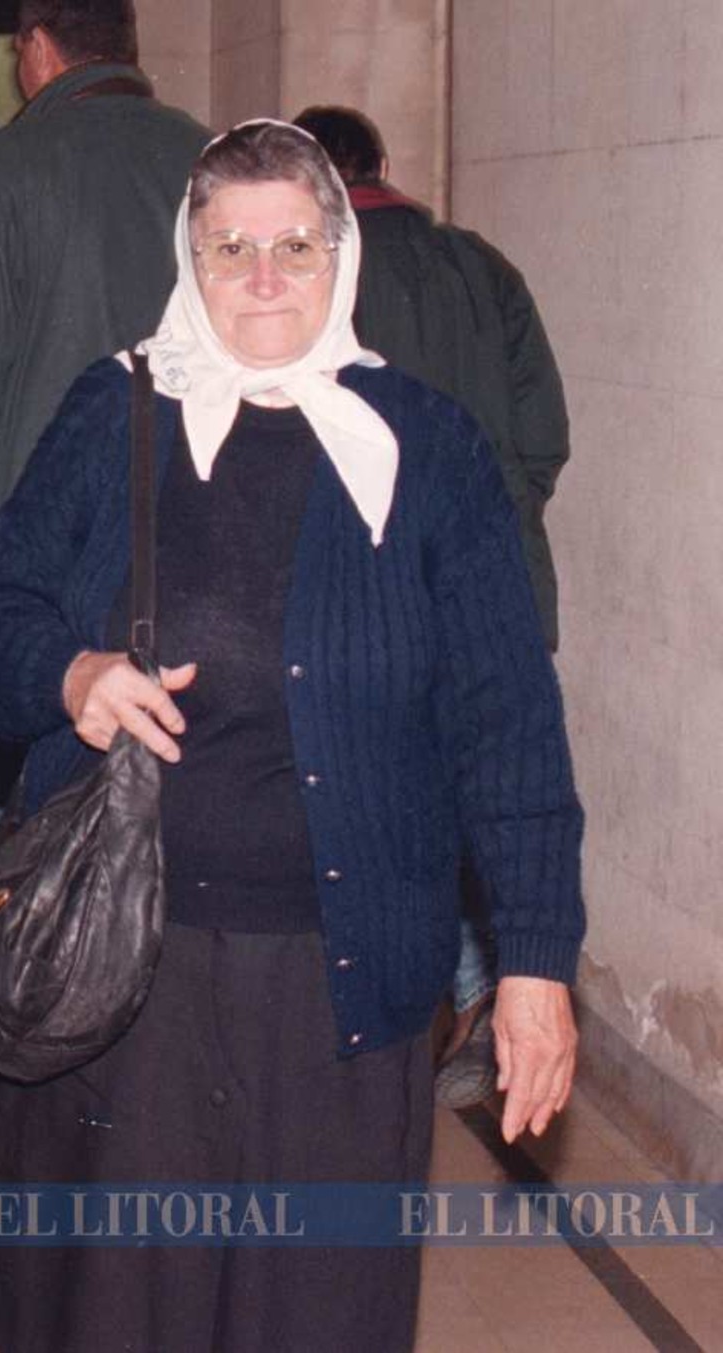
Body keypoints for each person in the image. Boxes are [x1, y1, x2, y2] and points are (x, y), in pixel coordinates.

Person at [0, 121, 584, 1352]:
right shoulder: (112, 410)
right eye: (230, 247)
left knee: (313, 1312)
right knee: (116, 1311)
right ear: (189, 257)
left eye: (294, 243)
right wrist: (65, 671)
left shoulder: (425, 447)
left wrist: (535, 967)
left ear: (340, 254)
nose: (265, 277)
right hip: (126, 967)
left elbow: (506, 722)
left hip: (345, 983)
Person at [295, 104, 573, 1106]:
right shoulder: (480, 265)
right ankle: (476, 995)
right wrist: (487, 542)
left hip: (369, 609)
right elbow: (541, 435)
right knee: (486, 788)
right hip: (495, 595)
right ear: (382, 164)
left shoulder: (312, 284)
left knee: (384, 805)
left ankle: (421, 1007)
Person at [0, 0, 206, 829]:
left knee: (30, 784)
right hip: (199, 526)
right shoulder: (211, 162)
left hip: (41, 543)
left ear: (36, 49)